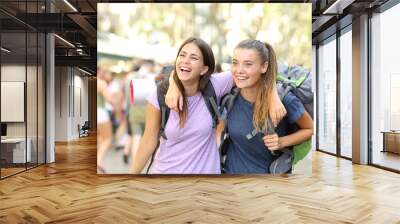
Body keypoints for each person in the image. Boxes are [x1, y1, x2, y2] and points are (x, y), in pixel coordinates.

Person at [130, 37, 285, 174]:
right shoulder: (159, 96)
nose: (185, 61)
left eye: (193, 58)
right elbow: (148, 142)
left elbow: (255, 73)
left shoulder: (215, 85)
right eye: (182, 55)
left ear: (204, 69)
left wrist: (273, 96)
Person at [223, 40, 314, 174]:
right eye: (235, 63)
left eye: (248, 64)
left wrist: (282, 142)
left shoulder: (285, 100)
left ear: (264, 67)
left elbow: (310, 128)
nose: (239, 70)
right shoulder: (229, 96)